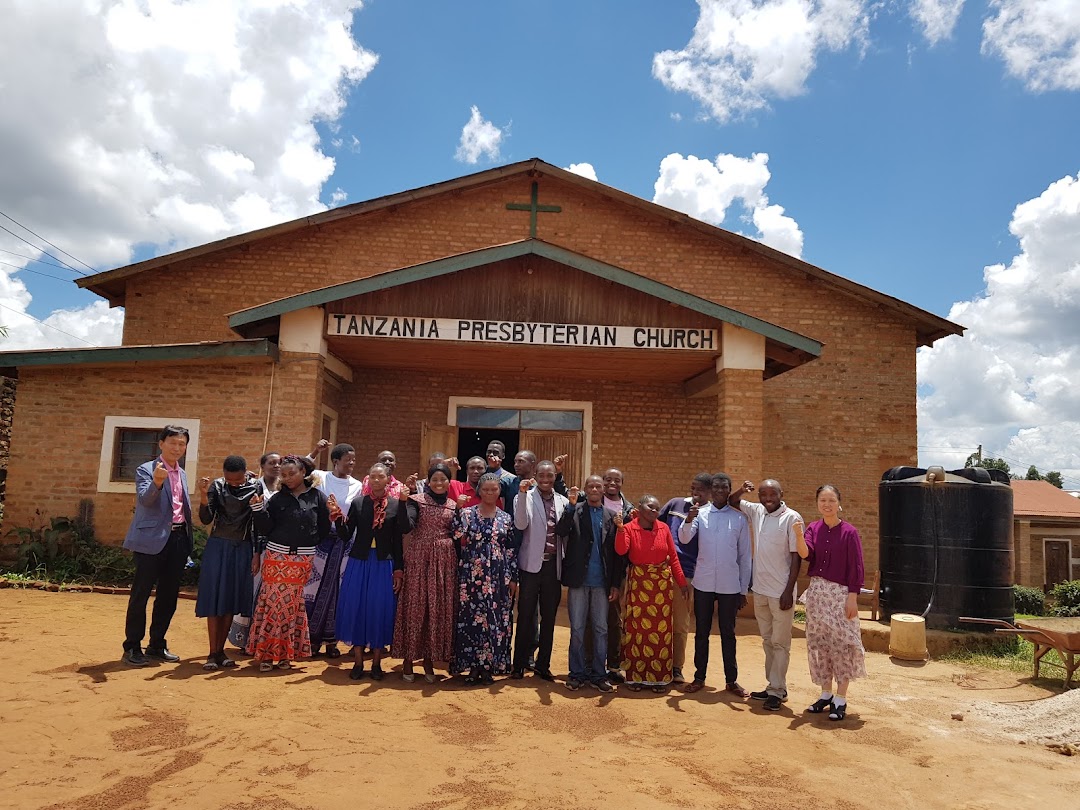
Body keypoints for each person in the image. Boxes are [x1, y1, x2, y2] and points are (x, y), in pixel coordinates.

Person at [248, 456, 331, 672]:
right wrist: (258, 510)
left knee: (292, 605)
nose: (287, 478)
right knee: (273, 603)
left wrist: (308, 542)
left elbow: (323, 528)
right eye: (283, 475)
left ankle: (285, 655)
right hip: (276, 558)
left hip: (302, 560)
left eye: (291, 474)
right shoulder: (276, 499)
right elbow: (265, 528)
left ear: (303, 472)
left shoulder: (318, 497)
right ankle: (267, 654)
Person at [121, 425, 194, 667]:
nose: (177, 448)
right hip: (150, 541)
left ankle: (156, 644)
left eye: (182, 444)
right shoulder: (146, 469)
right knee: (140, 595)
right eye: (173, 442)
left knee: (168, 596)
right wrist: (157, 482)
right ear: (161, 443)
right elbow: (145, 499)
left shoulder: (181, 472)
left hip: (177, 540)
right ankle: (132, 647)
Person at [730, 478, 805, 711]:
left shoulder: (792, 517)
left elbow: (796, 557)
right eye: (763, 495)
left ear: (781, 494)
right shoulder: (757, 511)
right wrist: (743, 489)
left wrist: (788, 590)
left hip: (780, 592)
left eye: (772, 495)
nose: (768, 499)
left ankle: (777, 690)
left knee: (780, 643)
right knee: (767, 641)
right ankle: (774, 686)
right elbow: (733, 501)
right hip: (760, 590)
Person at [333, 463, 410, 681]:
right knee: (357, 609)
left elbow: (400, 538)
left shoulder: (395, 505)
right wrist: (337, 517)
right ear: (368, 480)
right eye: (373, 477)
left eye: (381, 477)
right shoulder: (359, 504)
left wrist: (398, 570)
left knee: (379, 610)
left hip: (383, 564)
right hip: (359, 563)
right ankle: (358, 661)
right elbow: (347, 535)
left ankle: (376, 663)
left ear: (388, 479)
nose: (376, 480)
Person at [678, 472, 751, 696]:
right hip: (704, 582)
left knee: (728, 633)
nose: (720, 491)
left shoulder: (739, 519)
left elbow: (745, 557)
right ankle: (699, 677)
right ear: (711, 490)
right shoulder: (700, 514)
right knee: (702, 632)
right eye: (716, 487)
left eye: (724, 488)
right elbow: (684, 538)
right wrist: (689, 519)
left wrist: (743, 590)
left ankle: (731, 680)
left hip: (730, 585)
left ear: (729, 491)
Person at [797, 484, 867, 721]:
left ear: (839, 503)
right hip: (817, 594)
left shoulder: (849, 532)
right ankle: (825, 694)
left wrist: (852, 598)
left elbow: (856, 567)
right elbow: (806, 554)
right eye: (822, 500)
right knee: (820, 644)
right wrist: (798, 535)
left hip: (840, 595)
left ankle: (841, 698)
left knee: (843, 644)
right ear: (817, 503)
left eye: (831, 500)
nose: (826, 504)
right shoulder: (813, 528)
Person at [615, 495, 688, 692]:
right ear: (640, 507)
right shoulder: (630, 527)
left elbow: (672, 557)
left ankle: (658, 678)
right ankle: (635, 677)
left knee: (660, 633)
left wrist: (681, 583)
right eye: (650, 507)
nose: (655, 511)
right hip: (638, 584)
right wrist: (621, 529)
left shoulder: (663, 528)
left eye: (657, 508)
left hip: (661, 588)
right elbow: (621, 550)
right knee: (637, 631)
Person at [195, 456, 263, 670]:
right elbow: (206, 519)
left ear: (245, 473)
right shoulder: (216, 486)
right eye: (229, 480)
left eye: (237, 480)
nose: (233, 483)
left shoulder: (255, 486)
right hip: (218, 547)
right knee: (215, 600)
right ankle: (212, 652)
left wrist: (256, 553)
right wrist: (204, 496)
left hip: (242, 548)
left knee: (230, 601)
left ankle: (221, 651)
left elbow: (257, 524)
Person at [393, 464, 458, 683]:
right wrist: (403, 501)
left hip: (444, 562)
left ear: (450, 482)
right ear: (428, 482)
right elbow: (405, 526)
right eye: (435, 479)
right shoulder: (417, 500)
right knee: (415, 607)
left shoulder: (453, 505)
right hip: (420, 558)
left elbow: (458, 533)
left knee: (436, 609)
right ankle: (409, 659)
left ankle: (430, 660)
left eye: (443, 479)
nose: (439, 483)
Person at [559, 474, 623, 693]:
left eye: (598, 486)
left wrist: (615, 584)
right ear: (586, 489)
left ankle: (598, 674)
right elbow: (561, 531)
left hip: (601, 583)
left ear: (604, 490)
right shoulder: (574, 511)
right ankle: (576, 673)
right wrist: (570, 505)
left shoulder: (611, 516)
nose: (595, 489)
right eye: (591, 486)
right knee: (577, 629)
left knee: (601, 629)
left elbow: (616, 555)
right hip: (579, 581)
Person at [452, 473, 518, 684]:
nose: (490, 493)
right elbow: (454, 535)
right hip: (471, 575)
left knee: (494, 620)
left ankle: (490, 666)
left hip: (498, 576)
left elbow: (510, 550)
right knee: (471, 620)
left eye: (494, 489)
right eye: (486, 489)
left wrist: (512, 578)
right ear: (479, 491)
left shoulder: (506, 518)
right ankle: (472, 667)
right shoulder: (467, 514)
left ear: (499, 492)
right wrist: (457, 509)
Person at [511, 460, 571, 681]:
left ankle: (542, 665)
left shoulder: (563, 501)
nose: (546, 480)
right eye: (542, 475)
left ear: (555, 476)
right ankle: (518, 664)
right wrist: (524, 494)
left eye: (550, 475)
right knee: (525, 616)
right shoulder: (522, 497)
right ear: (535, 475)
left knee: (549, 618)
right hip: (530, 566)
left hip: (552, 566)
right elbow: (520, 524)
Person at [303, 441, 363, 658]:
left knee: (338, 591)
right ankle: (309, 641)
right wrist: (316, 451)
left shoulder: (357, 485)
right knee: (311, 590)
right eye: (348, 460)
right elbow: (300, 467)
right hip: (319, 543)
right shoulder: (320, 477)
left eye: (354, 460)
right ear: (336, 461)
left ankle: (332, 642)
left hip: (344, 544)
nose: (352, 463)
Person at [658, 472, 712, 683]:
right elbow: (657, 526)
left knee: (680, 623)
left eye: (700, 490)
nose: (695, 493)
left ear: (709, 492)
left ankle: (676, 667)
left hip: (687, 575)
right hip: (662, 571)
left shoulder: (710, 514)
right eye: (693, 488)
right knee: (656, 620)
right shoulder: (675, 504)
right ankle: (656, 663)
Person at [227, 451, 281, 650]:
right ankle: (245, 639)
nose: (276, 466)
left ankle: (262, 638)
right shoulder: (254, 486)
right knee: (252, 590)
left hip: (277, 548)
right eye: (271, 463)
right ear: (262, 466)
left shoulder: (285, 488)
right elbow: (252, 522)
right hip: (256, 546)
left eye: (279, 463)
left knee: (269, 594)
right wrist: (256, 553)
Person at [592, 467, 633, 684]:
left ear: (622, 483)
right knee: (593, 617)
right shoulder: (591, 500)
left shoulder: (628, 509)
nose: (611, 483)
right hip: (595, 567)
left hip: (617, 569)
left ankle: (614, 665)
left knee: (614, 617)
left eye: (616, 480)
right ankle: (591, 663)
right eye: (607, 479)